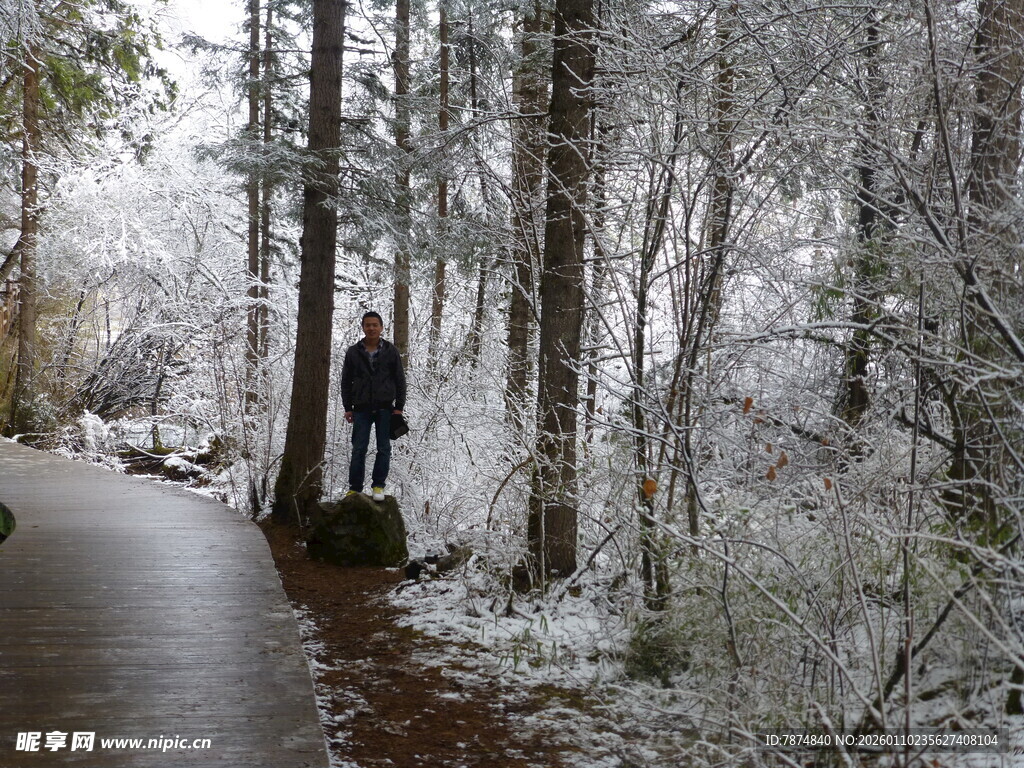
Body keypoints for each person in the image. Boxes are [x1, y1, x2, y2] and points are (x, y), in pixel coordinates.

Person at [340, 311, 406, 501]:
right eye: (367, 325)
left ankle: (378, 486)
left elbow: (400, 379)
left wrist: (399, 407)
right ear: (362, 327)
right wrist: (348, 407)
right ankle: (355, 488)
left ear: (381, 327)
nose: (371, 328)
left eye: (374, 325)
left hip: (386, 408)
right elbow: (346, 381)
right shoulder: (353, 352)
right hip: (361, 408)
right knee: (359, 448)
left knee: (384, 448)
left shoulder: (391, 351)